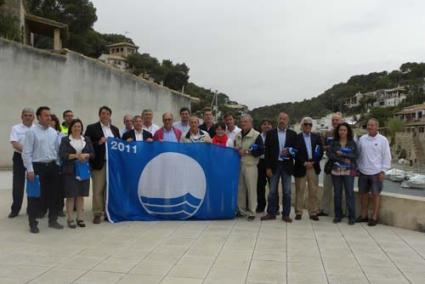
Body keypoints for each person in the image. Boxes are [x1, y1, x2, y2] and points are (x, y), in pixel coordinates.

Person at [22, 106, 63, 233]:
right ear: (39, 117)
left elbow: (57, 150)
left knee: (53, 195)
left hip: (52, 167)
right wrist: (29, 170)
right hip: (37, 167)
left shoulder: (53, 132)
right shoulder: (31, 132)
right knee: (34, 196)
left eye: (49, 115)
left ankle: (53, 220)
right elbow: (26, 152)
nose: (49, 117)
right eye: (46, 115)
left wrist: (57, 164)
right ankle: (33, 223)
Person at [85, 106, 120, 224]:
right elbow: (87, 144)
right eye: (102, 113)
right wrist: (98, 142)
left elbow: (119, 145)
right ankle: (97, 213)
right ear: (99, 115)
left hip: (112, 164)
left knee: (109, 189)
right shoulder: (92, 128)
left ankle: (107, 212)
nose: (105, 115)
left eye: (107, 113)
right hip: (99, 163)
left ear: (110, 115)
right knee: (98, 189)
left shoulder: (115, 129)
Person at [261, 112, 297, 222]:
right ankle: (271, 213)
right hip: (274, 166)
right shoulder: (270, 133)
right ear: (278, 120)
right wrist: (267, 168)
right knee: (272, 191)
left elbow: (296, 151)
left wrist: (290, 152)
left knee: (287, 191)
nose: (282, 120)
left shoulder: (293, 134)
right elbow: (266, 152)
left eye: (284, 119)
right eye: (280, 118)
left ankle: (286, 215)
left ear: (287, 121)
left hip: (287, 166)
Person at [59, 119, 94, 228]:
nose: (77, 128)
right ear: (71, 128)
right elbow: (62, 155)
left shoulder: (86, 139)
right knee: (70, 196)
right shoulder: (65, 140)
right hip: (70, 170)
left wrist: (86, 155)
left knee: (80, 195)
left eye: (79, 126)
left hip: (83, 170)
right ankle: (70, 219)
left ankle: (80, 218)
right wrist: (76, 156)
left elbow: (92, 154)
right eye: (75, 126)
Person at [356, 118, 391, 226]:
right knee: (363, 195)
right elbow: (358, 155)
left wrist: (383, 171)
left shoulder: (383, 140)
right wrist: (357, 167)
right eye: (368, 125)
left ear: (377, 127)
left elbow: (387, 156)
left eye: (372, 125)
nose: (369, 127)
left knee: (376, 195)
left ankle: (374, 217)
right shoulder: (362, 139)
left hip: (376, 173)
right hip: (362, 172)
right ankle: (364, 215)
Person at [234, 114, 264, 221]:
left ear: (251, 123)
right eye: (242, 122)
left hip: (251, 165)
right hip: (239, 165)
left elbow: (261, 150)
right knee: (240, 189)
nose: (243, 124)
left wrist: (247, 151)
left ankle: (252, 212)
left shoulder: (256, 135)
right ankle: (241, 210)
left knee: (251, 189)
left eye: (245, 122)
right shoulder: (237, 135)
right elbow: (235, 147)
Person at [293, 117, 323, 221]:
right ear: (302, 126)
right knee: (300, 190)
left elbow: (320, 151)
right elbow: (295, 152)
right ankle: (298, 212)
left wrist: (313, 162)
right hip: (301, 166)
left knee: (313, 191)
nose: (308, 126)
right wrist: (304, 163)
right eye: (305, 124)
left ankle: (313, 212)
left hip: (313, 166)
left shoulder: (316, 137)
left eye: (310, 124)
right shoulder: (297, 137)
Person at [328, 122, 358, 225]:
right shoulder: (334, 142)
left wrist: (344, 154)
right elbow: (330, 155)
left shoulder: (352, 143)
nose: (342, 132)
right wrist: (343, 159)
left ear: (348, 131)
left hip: (349, 171)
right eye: (341, 130)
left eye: (344, 130)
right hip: (336, 171)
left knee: (350, 193)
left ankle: (352, 217)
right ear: (338, 131)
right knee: (337, 194)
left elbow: (355, 155)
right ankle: (338, 215)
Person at [8, 108, 35, 218]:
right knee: (18, 184)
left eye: (30, 115)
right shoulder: (16, 128)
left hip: (33, 159)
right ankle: (15, 209)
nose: (28, 117)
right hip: (19, 157)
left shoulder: (36, 129)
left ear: (33, 117)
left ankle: (32, 209)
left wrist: (30, 153)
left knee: (32, 183)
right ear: (22, 117)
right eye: (26, 115)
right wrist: (27, 151)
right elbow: (15, 143)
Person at [319, 113, 343, 217]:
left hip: (341, 162)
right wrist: (330, 147)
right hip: (329, 162)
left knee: (339, 188)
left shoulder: (345, 133)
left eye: (337, 120)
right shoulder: (327, 133)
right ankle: (324, 210)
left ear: (341, 121)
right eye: (333, 120)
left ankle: (340, 211)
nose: (335, 122)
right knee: (327, 187)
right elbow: (322, 147)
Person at [50, 114, 66, 217]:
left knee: (60, 188)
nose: (51, 122)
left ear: (56, 122)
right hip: (47, 164)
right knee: (48, 188)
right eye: (49, 120)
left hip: (59, 164)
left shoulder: (61, 135)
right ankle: (47, 208)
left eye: (53, 120)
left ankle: (59, 208)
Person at [256, 119, 273, 213]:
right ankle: (261, 206)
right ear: (261, 126)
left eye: (269, 124)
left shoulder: (274, 136)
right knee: (260, 186)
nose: (266, 126)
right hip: (260, 162)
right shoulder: (258, 137)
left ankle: (274, 207)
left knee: (272, 186)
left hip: (271, 162)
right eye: (264, 124)